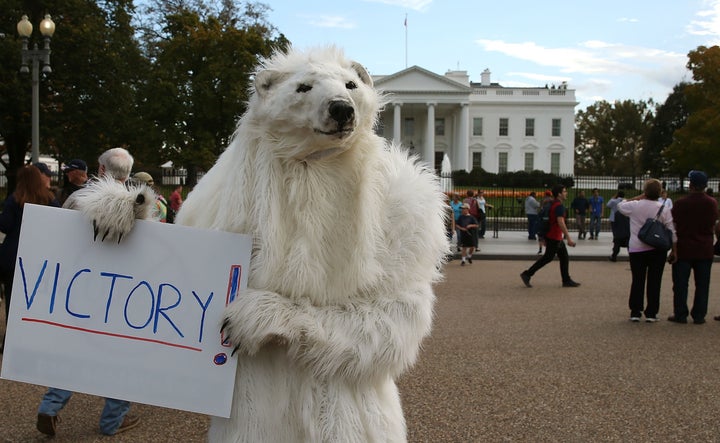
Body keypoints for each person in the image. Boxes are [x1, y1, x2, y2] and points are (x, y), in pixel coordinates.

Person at [36, 147, 141, 437]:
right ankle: (113, 419)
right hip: (120, 292)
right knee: (118, 353)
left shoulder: (76, 198)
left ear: (102, 169)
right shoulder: (137, 205)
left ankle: (50, 406)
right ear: (127, 174)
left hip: (77, 286)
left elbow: (55, 238)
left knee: (74, 349)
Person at [0, 165, 60, 353]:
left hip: (12, 256)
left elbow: (5, 226)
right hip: (40, 256)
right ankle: (34, 338)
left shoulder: (15, 199)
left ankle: (11, 341)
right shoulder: (50, 199)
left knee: (12, 299)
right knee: (36, 299)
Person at [617, 179, 676, 323]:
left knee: (637, 280)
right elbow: (672, 231)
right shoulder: (664, 208)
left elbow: (620, 206)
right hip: (657, 248)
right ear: (660, 192)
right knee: (655, 281)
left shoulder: (635, 205)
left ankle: (635, 310)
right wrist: (674, 250)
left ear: (645, 191)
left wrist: (637, 197)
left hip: (637, 247)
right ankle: (651, 312)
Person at [668, 171, 719, 324]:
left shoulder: (681, 203)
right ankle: (699, 314)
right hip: (704, 247)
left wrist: (673, 248)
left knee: (680, 284)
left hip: (684, 247)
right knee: (702, 284)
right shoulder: (712, 203)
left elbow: (673, 226)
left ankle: (680, 313)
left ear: (690, 185)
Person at [520, 184, 580, 288]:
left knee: (563, 257)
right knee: (547, 258)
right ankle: (527, 274)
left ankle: (566, 279)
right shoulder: (559, 206)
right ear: (559, 194)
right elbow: (561, 222)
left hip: (553, 235)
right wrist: (569, 238)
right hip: (554, 237)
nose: (566, 193)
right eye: (565, 191)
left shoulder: (552, 204)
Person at [606, 191, 630, 261]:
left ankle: (614, 256)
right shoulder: (626, 201)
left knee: (617, 239)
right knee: (627, 240)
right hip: (625, 221)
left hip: (615, 219)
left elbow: (608, 205)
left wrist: (613, 197)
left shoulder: (614, 201)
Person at [536, 190, 553, 255]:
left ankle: (540, 249)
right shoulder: (552, 201)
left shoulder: (543, 200)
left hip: (542, 221)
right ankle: (548, 249)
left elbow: (540, 210)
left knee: (540, 236)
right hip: (549, 221)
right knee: (548, 237)